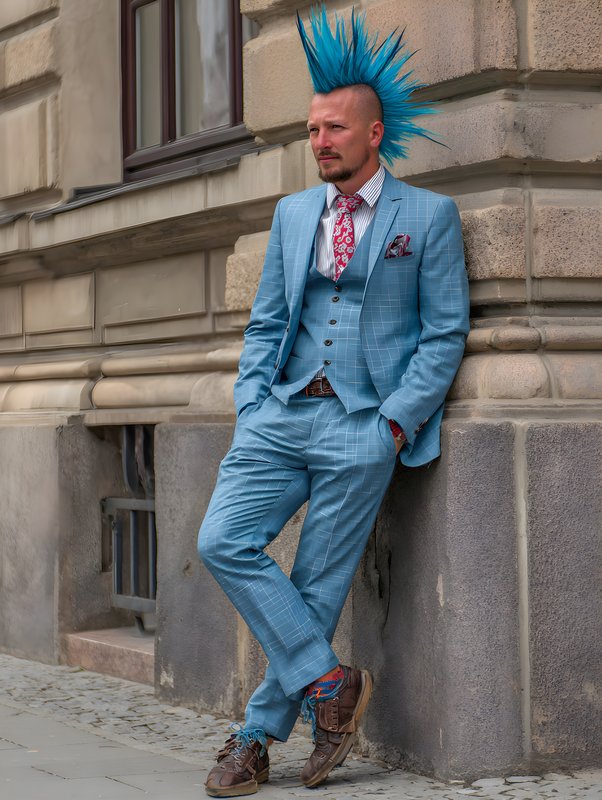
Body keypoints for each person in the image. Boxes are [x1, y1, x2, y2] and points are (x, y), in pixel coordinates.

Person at [198, 6, 470, 797]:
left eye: (334, 130)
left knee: (317, 583)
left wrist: (394, 422)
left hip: (364, 423)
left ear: (374, 134)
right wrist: (252, 405)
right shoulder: (291, 214)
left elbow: (444, 333)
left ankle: (253, 741)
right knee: (222, 539)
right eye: (313, 130)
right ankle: (330, 683)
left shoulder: (427, 217)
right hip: (280, 415)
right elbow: (269, 321)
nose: (319, 141)